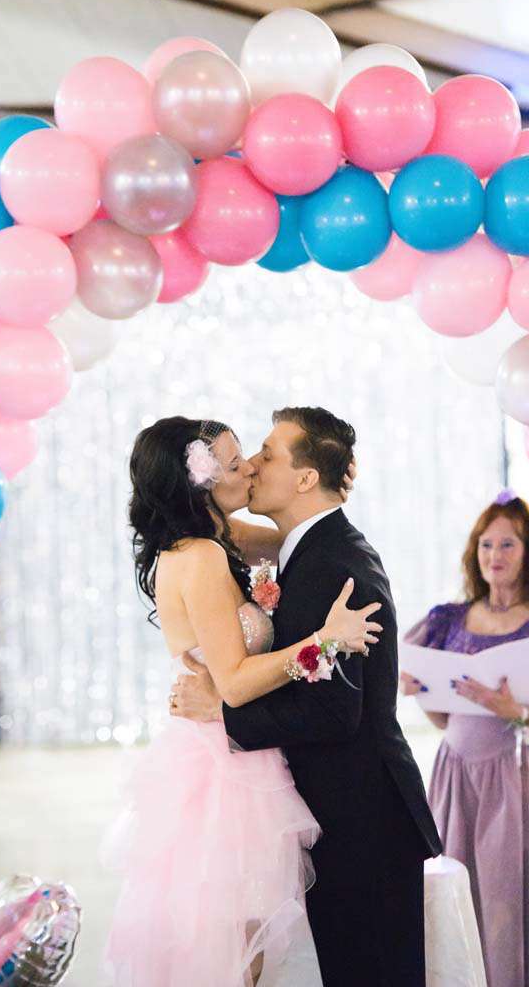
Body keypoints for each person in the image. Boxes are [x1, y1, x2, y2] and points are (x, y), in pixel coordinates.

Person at [101, 415, 381, 987]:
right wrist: (324, 642)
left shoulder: (223, 537)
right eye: (234, 465)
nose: (251, 467)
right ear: (200, 485)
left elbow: (300, 538)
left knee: (244, 945)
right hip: (224, 773)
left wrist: (328, 483)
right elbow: (232, 683)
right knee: (235, 951)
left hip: (236, 747)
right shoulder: (201, 557)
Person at [171, 406, 442, 987]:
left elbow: (335, 711)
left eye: (268, 454)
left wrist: (223, 714)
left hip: (363, 821)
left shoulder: (333, 564)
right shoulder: (307, 550)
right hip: (346, 817)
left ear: (305, 479)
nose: (253, 464)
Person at [401, 490, 529, 987]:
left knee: (527, 902)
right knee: (464, 897)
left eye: (508, 544)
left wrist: (516, 711)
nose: (495, 555)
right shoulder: (447, 620)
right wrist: (420, 689)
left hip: (528, 778)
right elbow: (444, 719)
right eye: (486, 544)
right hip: (459, 776)